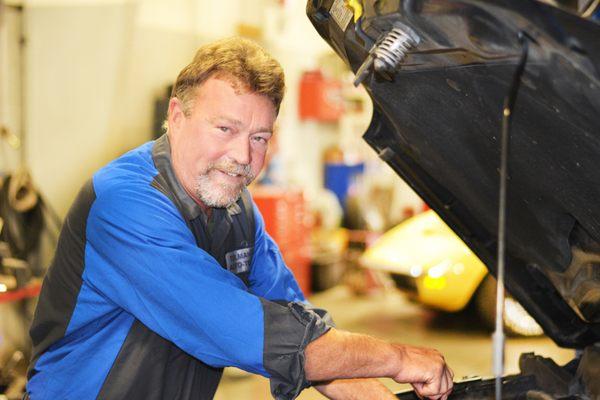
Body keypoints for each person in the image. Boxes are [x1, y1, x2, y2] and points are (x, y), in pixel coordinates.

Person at [25, 37, 453, 400]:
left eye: (259, 137)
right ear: (176, 116)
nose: (243, 158)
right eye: (225, 129)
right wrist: (397, 358)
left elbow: (294, 321)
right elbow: (251, 333)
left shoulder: (235, 207)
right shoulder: (124, 204)